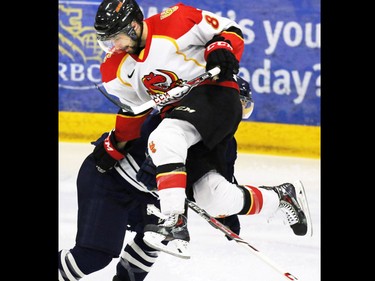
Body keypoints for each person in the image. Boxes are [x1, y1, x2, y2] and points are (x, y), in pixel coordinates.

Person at [92, 0, 312, 260]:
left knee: (164, 137)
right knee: (213, 198)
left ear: (133, 24)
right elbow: (134, 111)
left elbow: (229, 30)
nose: (114, 46)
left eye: (116, 38)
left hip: (215, 95)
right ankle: (282, 197)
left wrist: (220, 48)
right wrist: (115, 144)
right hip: (181, 121)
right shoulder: (116, 66)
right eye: (108, 41)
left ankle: (173, 223)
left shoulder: (174, 20)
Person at [58, 75, 251, 281]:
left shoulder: (227, 145)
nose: (233, 113)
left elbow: (219, 180)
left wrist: (226, 215)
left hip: (153, 197)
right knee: (91, 258)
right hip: (112, 182)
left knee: (148, 252)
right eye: (233, 103)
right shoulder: (175, 119)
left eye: (243, 106)